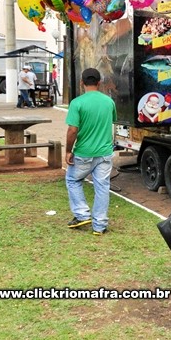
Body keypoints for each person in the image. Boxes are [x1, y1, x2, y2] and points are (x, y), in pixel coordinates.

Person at [65, 68, 117, 236]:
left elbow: (72, 130)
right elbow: (112, 121)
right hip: (105, 153)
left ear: (82, 82)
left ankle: (82, 214)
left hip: (83, 153)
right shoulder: (109, 102)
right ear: (99, 83)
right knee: (102, 187)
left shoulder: (77, 103)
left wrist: (68, 151)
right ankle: (99, 226)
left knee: (73, 180)